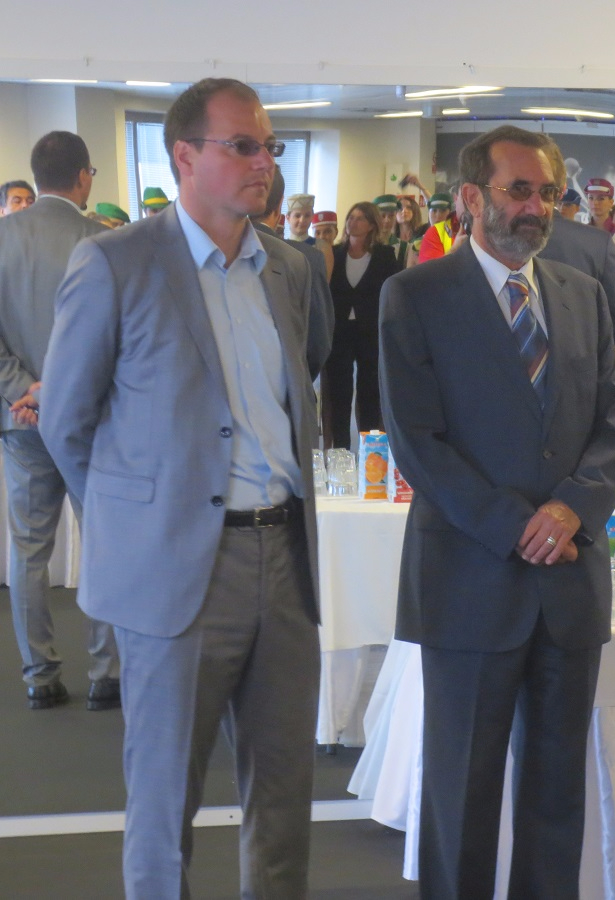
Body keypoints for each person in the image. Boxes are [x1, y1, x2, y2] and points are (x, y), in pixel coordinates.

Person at [39, 77, 323, 899]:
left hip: (285, 558)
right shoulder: (115, 263)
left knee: (284, 800)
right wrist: (138, 523)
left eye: (270, 146)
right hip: (176, 573)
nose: (263, 162)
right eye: (243, 146)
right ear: (184, 156)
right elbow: (65, 420)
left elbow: (292, 397)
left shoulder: (288, 269)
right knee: (165, 804)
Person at [378, 124, 615, 900]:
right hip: (470, 580)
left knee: (557, 800)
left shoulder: (582, 295)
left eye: (547, 192)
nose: (536, 207)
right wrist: (515, 526)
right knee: (461, 796)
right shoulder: (416, 296)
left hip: (568, 584)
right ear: (470, 197)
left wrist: (571, 511)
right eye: (518, 190)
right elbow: (416, 441)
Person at [0, 130, 119, 711]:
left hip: (20, 420)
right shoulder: (103, 242)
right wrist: (65, 392)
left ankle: (38, 674)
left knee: (28, 551)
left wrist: (26, 390)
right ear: (83, 177)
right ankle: (107, 671)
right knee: (104, 541)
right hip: (91, 422)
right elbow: (115, 339)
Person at [539, 144, 615, 364]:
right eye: (591, 198)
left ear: (610, 202)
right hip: (583, 346)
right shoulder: (589, 237)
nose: (595, 203)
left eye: (601, 199)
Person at [251, 166, 334, 381]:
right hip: (287, 383)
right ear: (281, 209)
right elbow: (319, 341)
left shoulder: (214, 249)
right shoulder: (308, 258)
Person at [325, 200, 397, 446]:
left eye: (359, 219)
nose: (352, 223)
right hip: (341, 330)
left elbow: (391, 293)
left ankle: (370, 452)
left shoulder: (384, 256)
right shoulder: (335, 253)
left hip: (370, 331)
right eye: (350, 217)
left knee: (369, 393)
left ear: (371, 225)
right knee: (340, 393)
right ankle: (341, 449)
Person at [416, 192, 454, 263]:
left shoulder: (456, 236)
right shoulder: (418, 239)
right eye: (434, 210)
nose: (438, 215)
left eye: (443, 211)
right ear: (429, 213)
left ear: (450, 213)